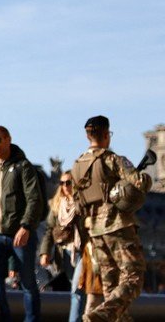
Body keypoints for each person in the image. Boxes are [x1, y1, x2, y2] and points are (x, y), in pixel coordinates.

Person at [70, 115, 152, 321]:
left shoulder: (77, 165)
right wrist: (146, 179)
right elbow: (140, 182)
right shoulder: (112, 159)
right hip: (118, 226)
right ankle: (101, 315)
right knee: (133, 276)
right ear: (106, 134)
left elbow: (77, 203)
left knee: (111, 283)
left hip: (95, 231)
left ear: (88, 136)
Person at [0, 125, 46, 322]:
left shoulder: (23, 166)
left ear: (8, 139)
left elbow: (34, 199)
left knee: (28, 283)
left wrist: (26, 226)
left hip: (19, 234)